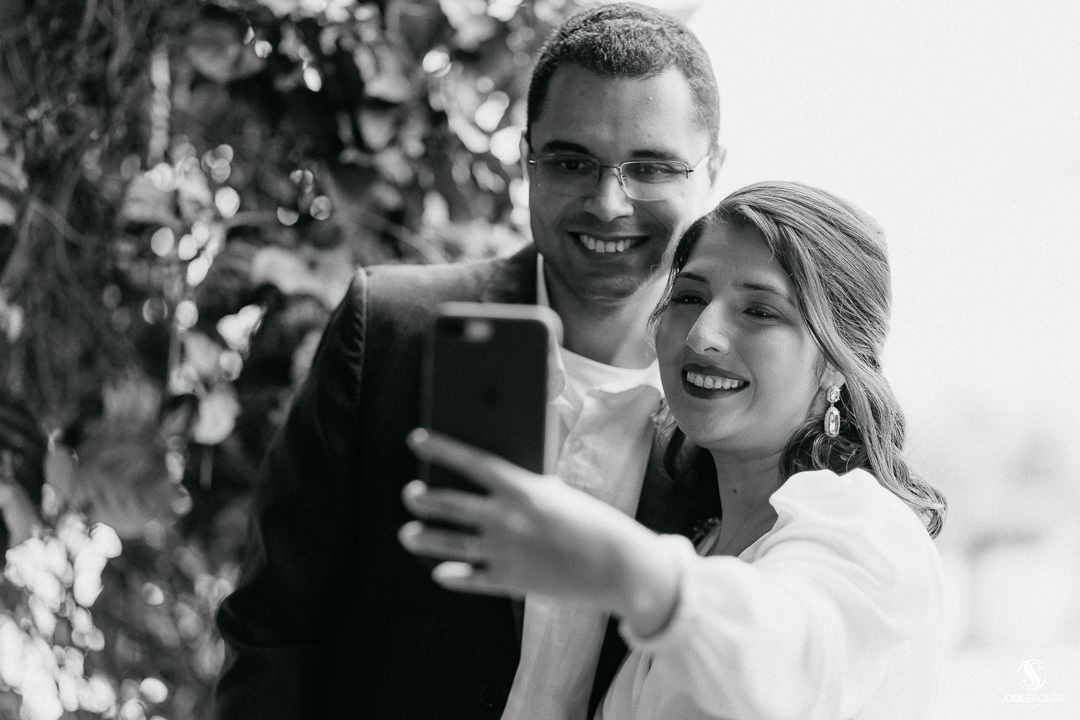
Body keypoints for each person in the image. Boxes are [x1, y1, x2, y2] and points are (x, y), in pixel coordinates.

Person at [213, 4, 723, 718]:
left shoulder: (728, 406)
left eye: (651, 167)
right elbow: (272, 631)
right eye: (572, 161)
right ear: (527, 160)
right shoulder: (386, 331)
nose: (610, 203)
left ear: (713, 171)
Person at [400, 181, 948, 720]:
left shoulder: (869, 526)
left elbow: (794, 661)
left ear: (837, 362)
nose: (703, 334)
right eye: (689, 297)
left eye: (760, 311)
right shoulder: (701, 539)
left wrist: (622, 568)